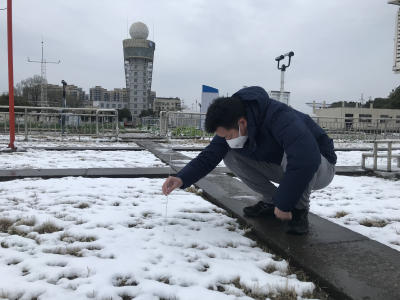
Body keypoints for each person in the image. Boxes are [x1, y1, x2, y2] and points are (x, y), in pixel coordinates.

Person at [162, 86, 336, 235]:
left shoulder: (279, 116)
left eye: (229, 135)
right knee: (230, 155)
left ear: (242, 122)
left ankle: (299, 210)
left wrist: (286, 203)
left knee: (294, 154)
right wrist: (182, 178)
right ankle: (270, 200)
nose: (227, 139)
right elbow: (209, 156)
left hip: (320, 166)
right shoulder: (231, 121)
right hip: (285, 166)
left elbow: (305, 158)